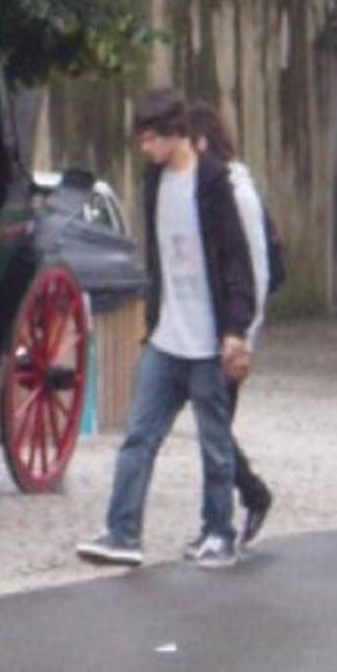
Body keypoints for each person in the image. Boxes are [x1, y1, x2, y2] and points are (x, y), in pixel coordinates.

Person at [76, 88, 256, 571]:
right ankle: (122, 533)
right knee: (139, 436)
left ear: (175, 134)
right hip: (166, 337)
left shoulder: (213, 181)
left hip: (208, 339)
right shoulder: (153, 180)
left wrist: (236, 329)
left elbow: (237, 259)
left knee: (214, 443)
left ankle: (219, 532)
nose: (144, 149)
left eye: (150, 139)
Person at [186, 104, 273, 553]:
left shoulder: (237, 195)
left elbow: (254, 267)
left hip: (232, 333)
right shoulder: (218, 190)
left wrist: (242, 333)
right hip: (212, 331)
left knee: (213, 430)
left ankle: (236, 508)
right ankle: (232, 509)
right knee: (212, 427)